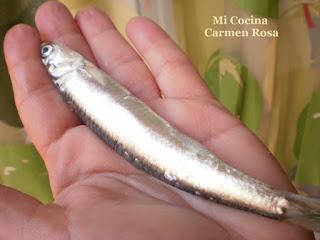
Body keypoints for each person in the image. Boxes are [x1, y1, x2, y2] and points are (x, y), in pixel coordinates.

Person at [2, 1, 314, 239]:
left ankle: (282, 206)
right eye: (48, 54)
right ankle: (278, 205)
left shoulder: (74, 72)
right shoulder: (70, 77)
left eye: (48, 52)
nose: (51, 52)